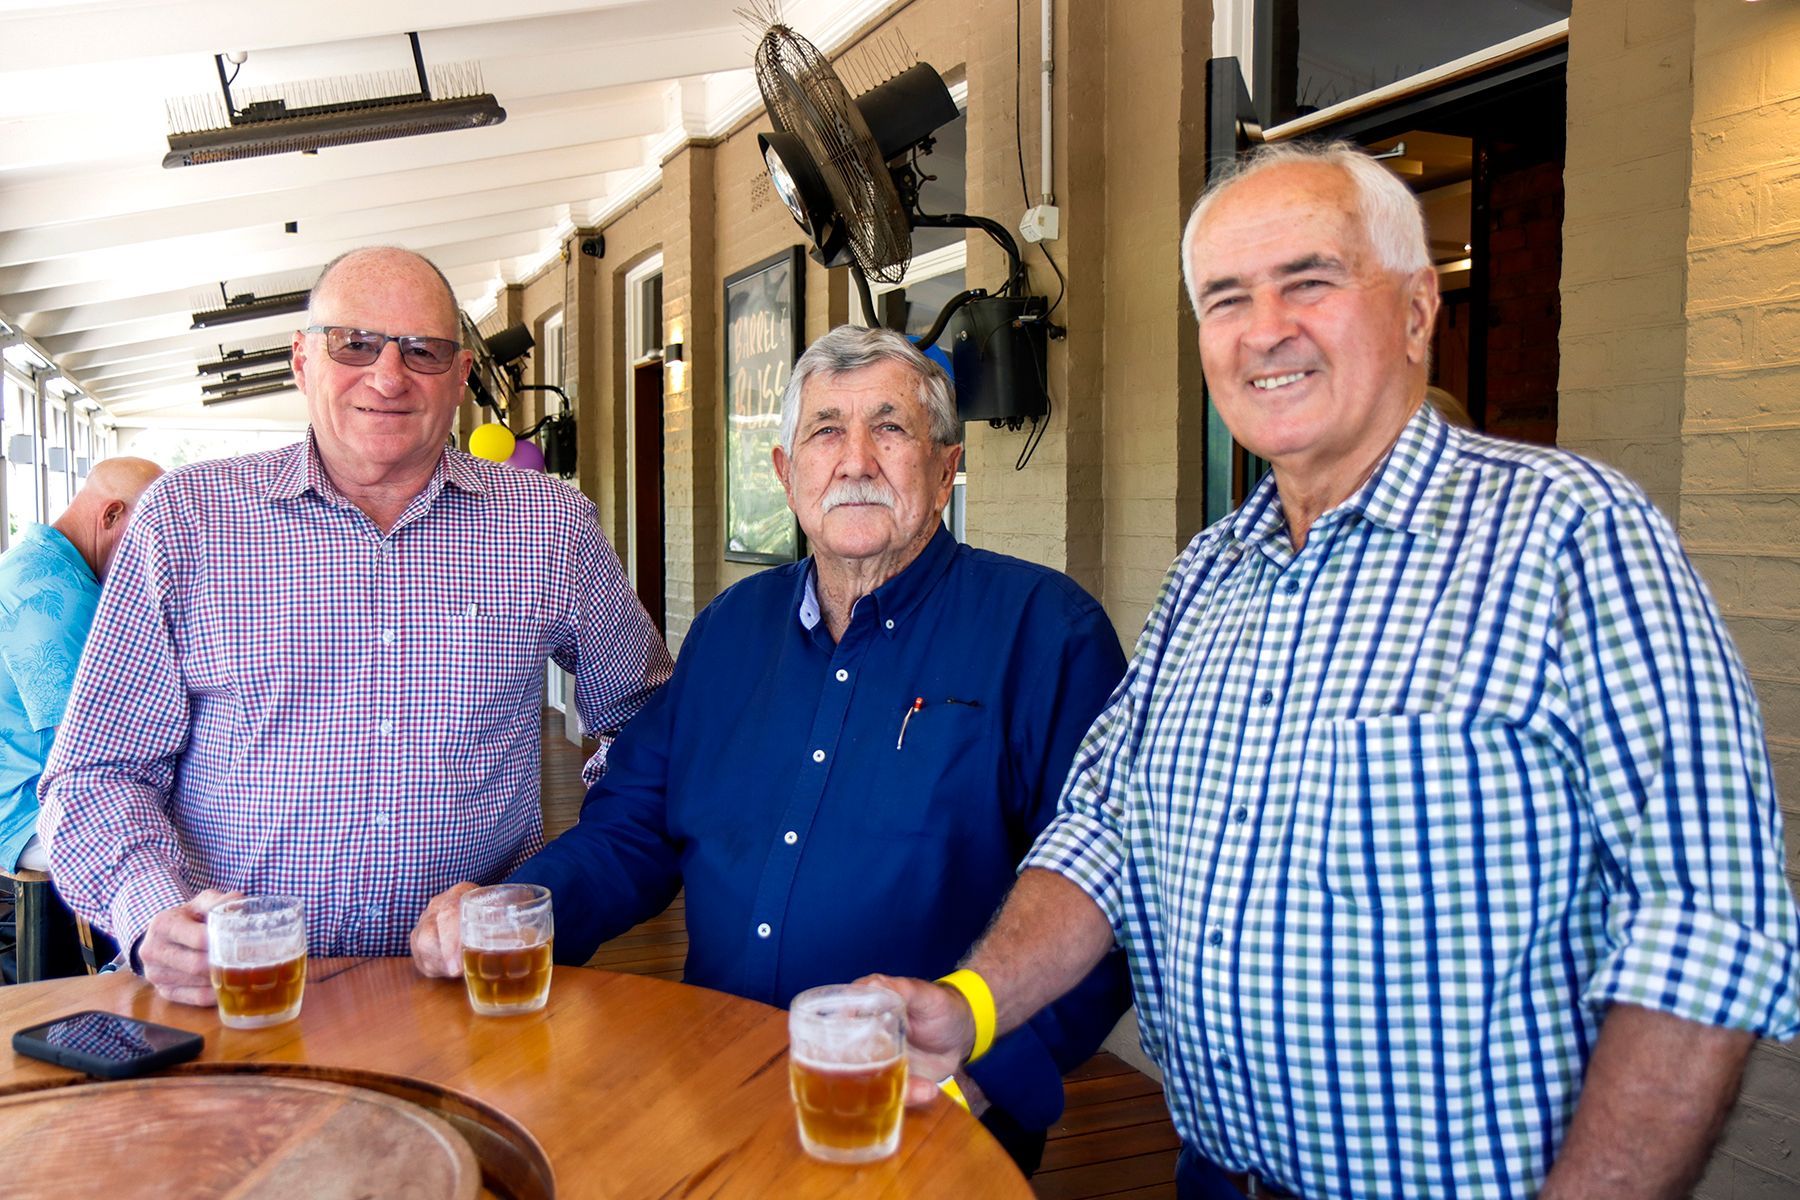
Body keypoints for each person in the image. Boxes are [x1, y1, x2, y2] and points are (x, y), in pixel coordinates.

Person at [866, 141, 1800, 1199]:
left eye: (1308, 281)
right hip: (1214, 1177)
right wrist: (975, 1003)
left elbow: (1704, 921)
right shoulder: (1211, 575)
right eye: (1226, 298)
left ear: (1414, 311)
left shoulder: (1570, 534)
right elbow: (1106, 835)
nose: (1265, 329)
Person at [410, 325, 1133, 1171]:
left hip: (924, 1120)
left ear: (945, 470)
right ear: (788, 474)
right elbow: (633, 829)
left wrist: (981, 1078)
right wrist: (515, 910)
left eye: (890, 427)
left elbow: (1105, 898)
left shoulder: (1047, 635)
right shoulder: (729, 632)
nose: (856, 459)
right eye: (825, 430)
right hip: (715, 1091)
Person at [40, 246, 672, 1005]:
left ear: (462, 374)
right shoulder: (185, 521)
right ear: (301, 360)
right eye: (355, 344)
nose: (388, 375)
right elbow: (96, 774)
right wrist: (152, 917)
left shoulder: (548, 528)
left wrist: (555, 887)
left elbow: (650, 730)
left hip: (468, 992)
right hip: (237, 995)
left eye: (423, 350)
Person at [0, 457, 161, 980]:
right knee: (204, 837)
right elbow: (87, 749)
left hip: (36, 785)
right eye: (147, 544)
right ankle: (132, 980)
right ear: (111, 515)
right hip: (22, 808)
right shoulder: (49, 595)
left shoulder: (56, 567)